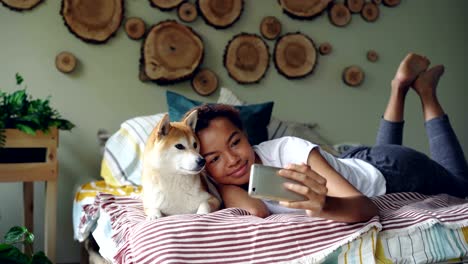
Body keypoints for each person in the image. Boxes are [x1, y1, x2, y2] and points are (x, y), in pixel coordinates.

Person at [186, 53, 468, 223]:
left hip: (395, 171)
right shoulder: (214, 185)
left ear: (246, 135)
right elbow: (256, 210)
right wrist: (222, 186)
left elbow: (366, 208)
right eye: (214, 158)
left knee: (462, 188)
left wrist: (326, 206)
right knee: (380, 152)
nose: (233, 159)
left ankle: (427, 94)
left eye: (235, 142)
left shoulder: (288, 150)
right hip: (352, 161)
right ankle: (399, 88)